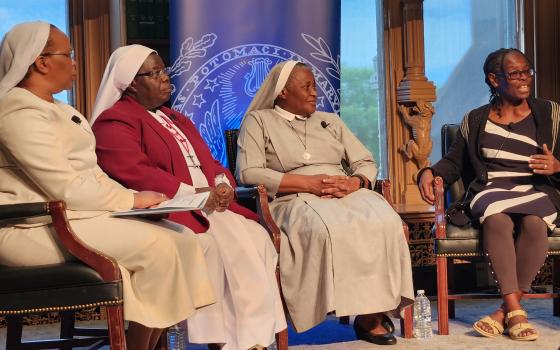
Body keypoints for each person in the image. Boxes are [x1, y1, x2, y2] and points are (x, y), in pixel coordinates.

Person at [0, 21, 216, 350]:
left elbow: (91, 172)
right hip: (30, 227)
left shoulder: (59, 109)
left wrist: (142, 202)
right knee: (158, 248)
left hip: (72, 217)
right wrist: (129, 200)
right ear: (41, 62)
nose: (74, 63)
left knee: (183, 238)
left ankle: (139, 345)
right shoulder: (16, 111)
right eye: (68, 55)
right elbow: (63, 185)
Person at [91, 44, 286, 350]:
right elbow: (135, 172)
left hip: (207, 203)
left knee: (256, 237)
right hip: (166, 207)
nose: (166, 78)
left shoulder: (175, 118)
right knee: (219, 243)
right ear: (130, 82)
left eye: (164, 70)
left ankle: (254, 337)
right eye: (155, 73)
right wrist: (194, 195)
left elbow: (209, 162)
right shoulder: (115, 121)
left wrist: (222, 184)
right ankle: (229, 341)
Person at [236, 60, 414, 346]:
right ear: (283, 92)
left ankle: (371, 313)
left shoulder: (330, 121)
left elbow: (365, 161)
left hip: (344, 191)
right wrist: (308, 183)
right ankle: (322, 307)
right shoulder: (259, 121)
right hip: (293, 196)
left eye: (314, 86)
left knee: (385, 221)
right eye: (306, 86)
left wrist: (355, 182)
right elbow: (248, 172)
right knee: (325, 228)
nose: (314, 92)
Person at [418, 48, 560, 341]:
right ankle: (516, 312)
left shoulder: (550, 113)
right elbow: (454, 161)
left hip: (536, 188)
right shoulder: (476, 119)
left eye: (527, 71)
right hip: (492, 188)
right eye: (515, 73)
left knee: (535, 223)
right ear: (494, 79)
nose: (524, 79)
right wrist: (428, 172)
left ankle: (504, 311)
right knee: (496, 219)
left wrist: (557, 165)